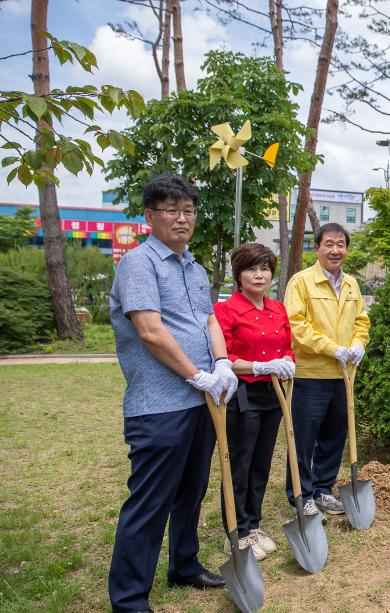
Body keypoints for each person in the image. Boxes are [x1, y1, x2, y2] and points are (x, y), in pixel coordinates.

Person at [108, 174, 237, 613]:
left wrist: (220, 364)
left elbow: (208, 321)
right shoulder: (138, 264)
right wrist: (195, 374)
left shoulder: (195, 268)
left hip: (201, 402)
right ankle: (128, 600)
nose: (182, 219)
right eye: (171, 210)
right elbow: (149, 330)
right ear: (150, 216)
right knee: (150, 502)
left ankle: (184, 564)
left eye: (188, 211)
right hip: (159, 405)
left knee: (191, 491)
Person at [213, 243, 296, 561]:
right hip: (242, 395)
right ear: (239, 274)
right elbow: (223, 357)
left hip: (273, 394)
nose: (259, 275)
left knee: (261, 464)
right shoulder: (226, 311)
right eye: (251, 269)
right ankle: (236, 531)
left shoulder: (277, 309)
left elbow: (287, 345)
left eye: (264, 269)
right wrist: (258, 366)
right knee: (240, 465)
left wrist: (287, 361)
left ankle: (255, 523)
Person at [283, 223, 370, 517]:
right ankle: (300, 494)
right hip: (310, 374)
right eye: (329, 244)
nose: (336, 250)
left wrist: (358, 343)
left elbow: (362, 321)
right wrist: (329, 346)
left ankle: (322, 489)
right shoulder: (301, 282)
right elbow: (295, 326)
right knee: (304, 438)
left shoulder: (351, 284)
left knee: (335, 436)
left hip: (342, 375)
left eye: (341, 244)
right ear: (317, 247)